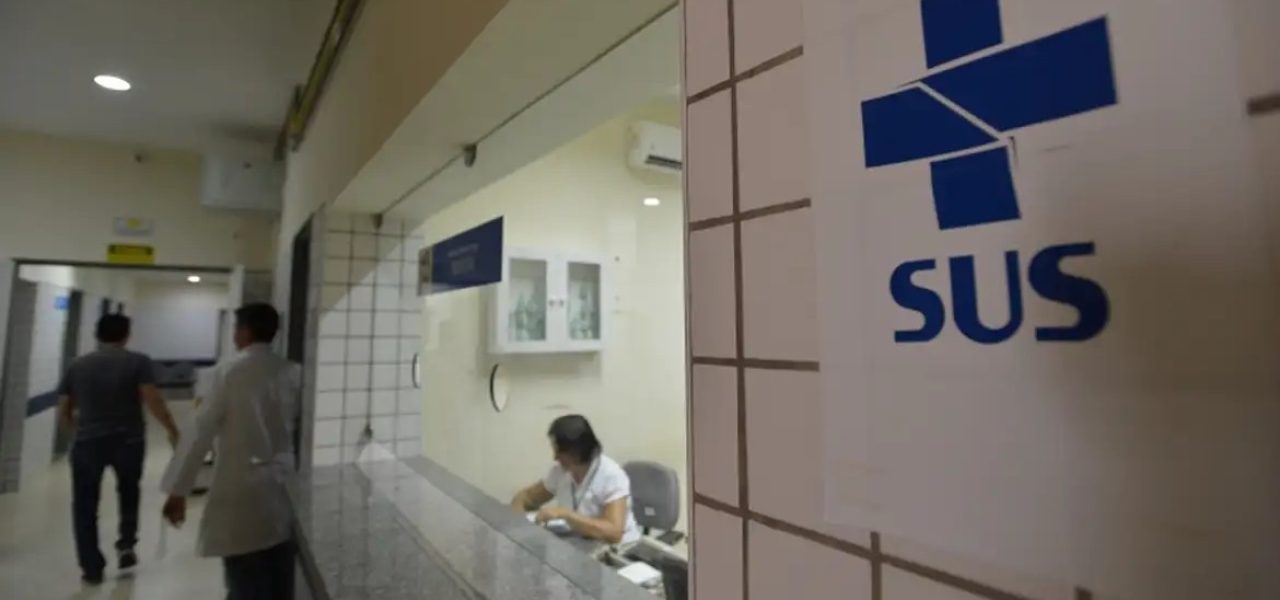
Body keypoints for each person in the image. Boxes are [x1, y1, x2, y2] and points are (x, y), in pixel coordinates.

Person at [159, 303, 300, 600]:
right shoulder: (291, 372)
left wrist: (178, 490)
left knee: (245, 582)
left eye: (236, 329)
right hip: (283, 489)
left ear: (245, 332)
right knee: (280, 583)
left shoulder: (226, 372)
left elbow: (199, 435)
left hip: (241, 491)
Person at [57, 313, 181, 585]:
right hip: (128, 441)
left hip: (88, 442)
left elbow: (64, 410)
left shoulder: (77, 365)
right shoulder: (138, 362)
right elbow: (152, 399)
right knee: (129, 491)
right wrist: (172, 428)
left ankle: (91, 567)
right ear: (126, 335)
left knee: (84, 505)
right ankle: (126, 544)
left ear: (97, 334)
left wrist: (77, 435)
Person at [510, 415, 640, 545]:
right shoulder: (560, 471)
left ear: (576, 451)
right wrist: (519, 526)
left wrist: (566, 515)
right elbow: (525, 498)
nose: (555, 457)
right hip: (580, 544)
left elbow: (613, 533)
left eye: (559, 451)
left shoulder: (611, 476)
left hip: (618, 549)